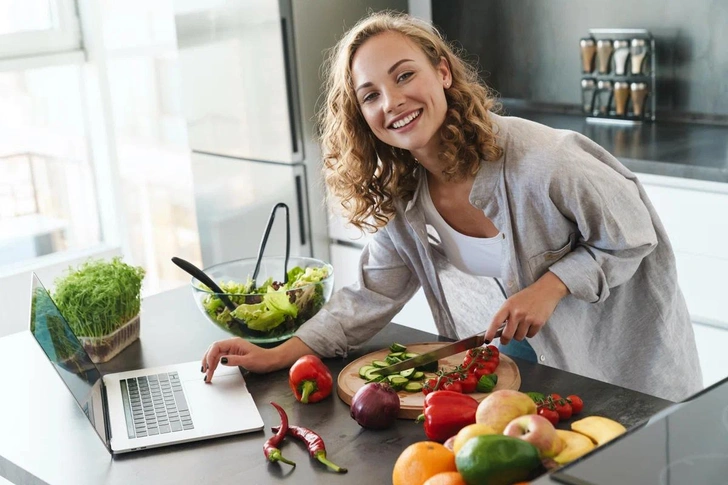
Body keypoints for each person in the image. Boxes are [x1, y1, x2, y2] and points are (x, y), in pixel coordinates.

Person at [200, 11, 702, 402]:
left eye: (403, 76)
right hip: (519, 380)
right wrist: (277, 355)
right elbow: (370, 296)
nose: (391, 101)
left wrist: (551, 287)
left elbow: (634, 233)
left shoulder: (548, 160)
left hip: (625, 378)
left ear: (442, 72)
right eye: (370, 94)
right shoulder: (405, 197)